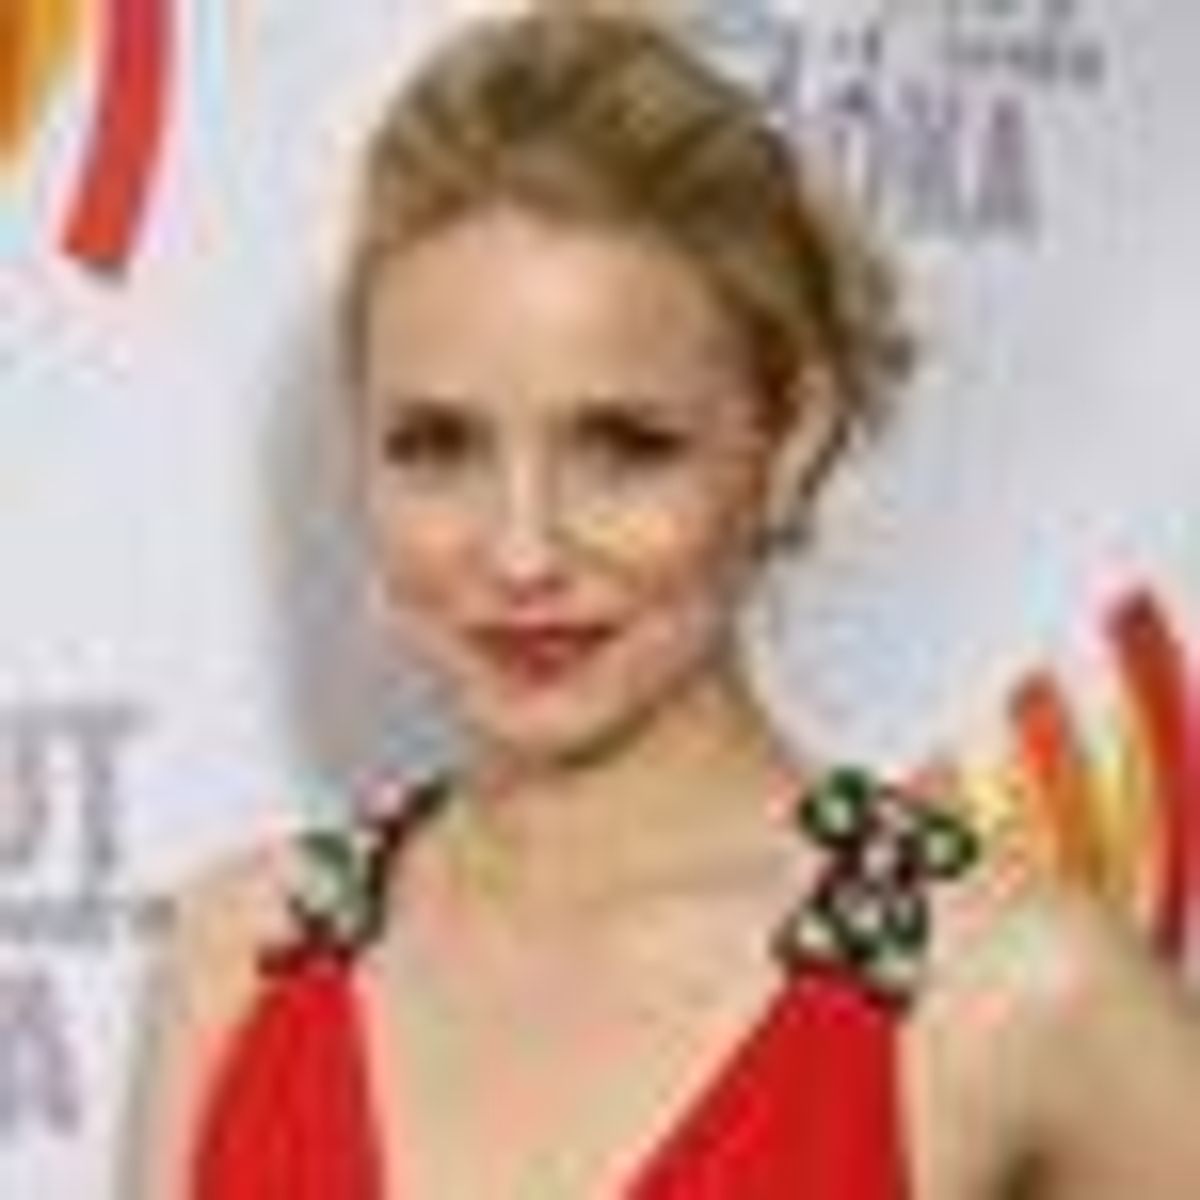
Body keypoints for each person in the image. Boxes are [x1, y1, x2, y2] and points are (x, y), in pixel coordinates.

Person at [131, 8, 1200, 1198]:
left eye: (624, 447)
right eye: (438, 445)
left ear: (790, 441)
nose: (521, 553)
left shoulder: (1016, 994)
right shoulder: (236, 956)